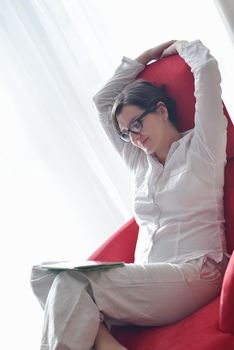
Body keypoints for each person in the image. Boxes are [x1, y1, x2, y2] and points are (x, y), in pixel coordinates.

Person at [31, 40, 229, 350]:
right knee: (42, 275)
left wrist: (178, 46)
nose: (133, 138)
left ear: (161, 110)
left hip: (196, 272)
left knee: (71, 282)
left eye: (137, 124)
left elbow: (206, 67)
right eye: (126, 133)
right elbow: (102, 102)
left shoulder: (204, 146)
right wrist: (142, 59)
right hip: (147, 277)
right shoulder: (140, 161)